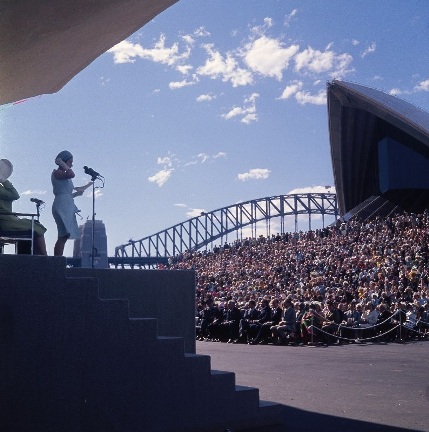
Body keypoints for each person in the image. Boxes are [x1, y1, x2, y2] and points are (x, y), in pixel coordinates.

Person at [0, 159, 47, 255]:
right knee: (37, 226)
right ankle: (45, 258)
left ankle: (40, 258)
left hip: (8, 219)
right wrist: (3, 180)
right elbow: (15, 195)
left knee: (34, 224)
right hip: (6, 222)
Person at [51, 151, 92, 256]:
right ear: (63, 161)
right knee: (63, 235)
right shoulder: (57, 173)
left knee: (64, 235)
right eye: (69, 162)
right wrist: (62, 164)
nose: (71, 164)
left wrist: (76, 194)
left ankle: (57, 259)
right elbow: (71, 174)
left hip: (66, 204)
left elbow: (66, 193)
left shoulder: (63, 175)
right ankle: (57, 260)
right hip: (62, 205)